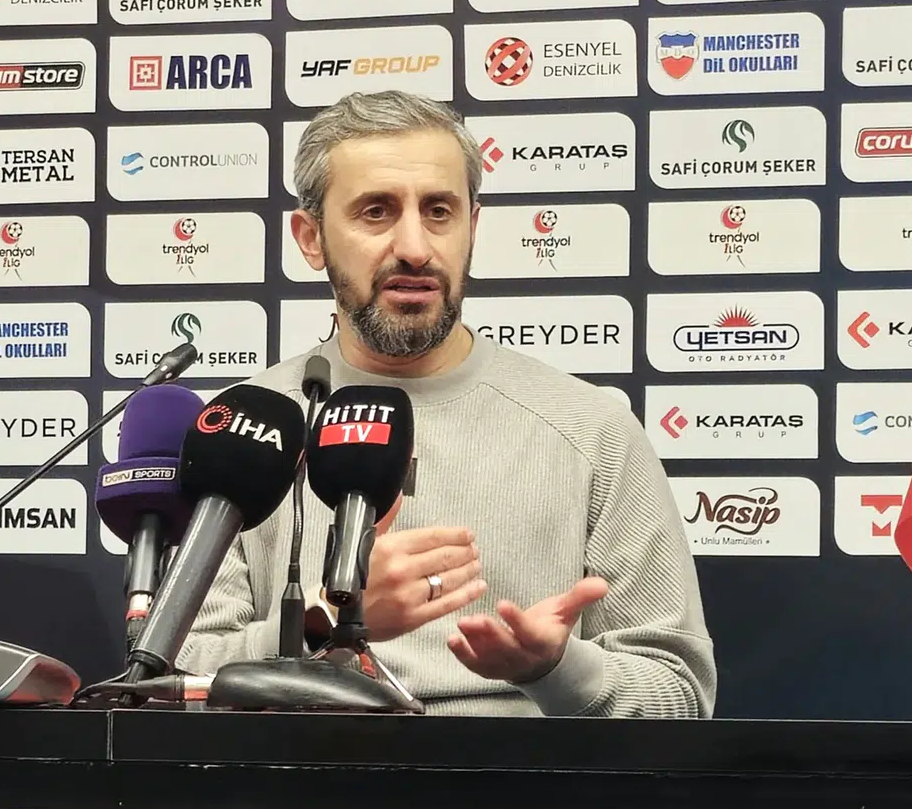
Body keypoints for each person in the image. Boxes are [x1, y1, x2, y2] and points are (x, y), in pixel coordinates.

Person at [176, 90, 716, 718]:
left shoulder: (591, 429)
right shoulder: (242, 431)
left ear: (472, 228)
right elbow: (168, 681)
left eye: (438, 211)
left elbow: (681, 698)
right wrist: (322, 621)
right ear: (311, 237)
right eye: (376, 212)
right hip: (296, 777)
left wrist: (556, 669)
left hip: (512, 780)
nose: (414, 246)